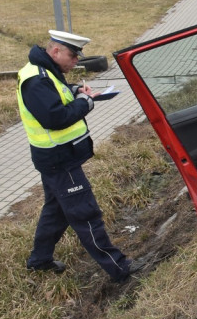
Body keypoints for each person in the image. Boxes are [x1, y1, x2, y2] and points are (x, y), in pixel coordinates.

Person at [17, 30, 142, 282]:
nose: (76, 62)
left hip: (57, 159)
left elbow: (55, 97)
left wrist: (74, 91)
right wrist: (85, 102)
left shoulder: (46, 71)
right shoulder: (37, 79)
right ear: (56, 51)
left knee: (56, 211)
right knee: (86, 214)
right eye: (73, 56)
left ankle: (40, 261)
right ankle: (119, 268)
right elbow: (55, 118)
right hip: (60, 161)